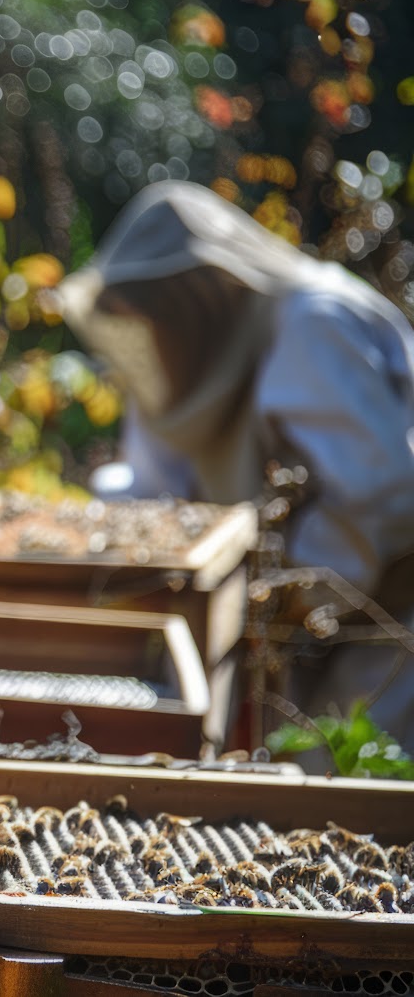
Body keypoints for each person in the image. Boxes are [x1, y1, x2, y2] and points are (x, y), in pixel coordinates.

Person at [57, 180, 414, 744]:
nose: (154, 339)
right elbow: (153, 486)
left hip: (385, 637)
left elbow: (378, 498)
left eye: (159, 316)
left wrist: (278, 596)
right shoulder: (191, 363)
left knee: (341, 797)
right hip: (283, 646)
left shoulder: (314, 325)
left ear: (196, 296)